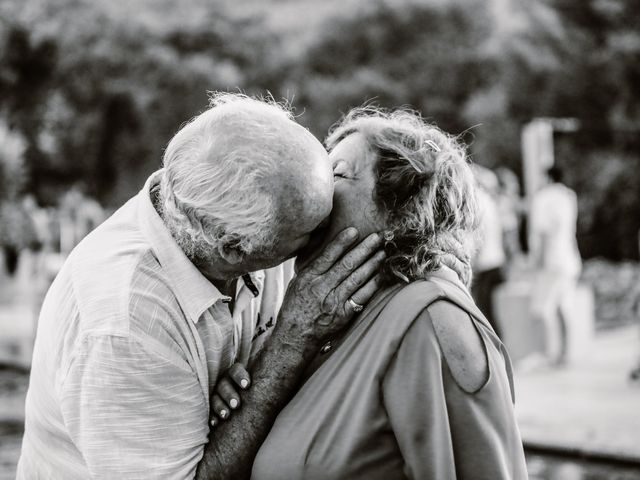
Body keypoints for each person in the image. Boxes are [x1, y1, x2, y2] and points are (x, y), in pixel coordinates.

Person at [17, 93, 385, 479]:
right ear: (233, 249)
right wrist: (288, 347)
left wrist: (255, 379)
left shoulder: (258, 212)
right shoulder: (123, 324)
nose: (324, 238)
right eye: (310, 233)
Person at [251, 107, 528, 480]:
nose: (315, 189)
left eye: (337, 174)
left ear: (401, 208)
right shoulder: (333, 317)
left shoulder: (430, 320)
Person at [529, 165, 582, 365]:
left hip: (551, 261)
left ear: (548, 178)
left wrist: (538, 263)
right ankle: (566, 352)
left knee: (542, 309)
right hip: (569, 258)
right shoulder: (569, 196)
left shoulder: (544, 198)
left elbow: (543, 233)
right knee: (563, 306)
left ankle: (547, 353)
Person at [472, 166, 506, 338]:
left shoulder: (478, 202)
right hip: (495, 261)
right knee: (489, 311)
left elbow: (480, 236)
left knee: (483, 312)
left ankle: (495, 352)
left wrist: (474, 265)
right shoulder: (491, 202)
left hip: (484, 263)